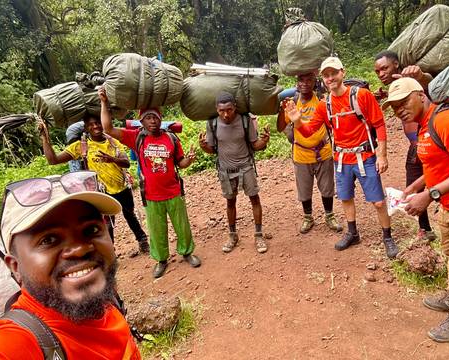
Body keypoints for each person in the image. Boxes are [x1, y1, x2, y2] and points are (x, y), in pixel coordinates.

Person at [0, 171, 141, 358]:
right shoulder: (16, 345)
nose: (79, 249)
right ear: (15, 267)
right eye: (48, 239)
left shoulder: (108, 301)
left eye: (91, 229)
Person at [383, 77, 449, 342]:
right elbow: (439, 162)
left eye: (404, 102)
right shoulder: (425, 125)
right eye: (394, 106)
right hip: (448, 203)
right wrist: (416, 185)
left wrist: (430, 194)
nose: (399, 109)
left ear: (421, 95)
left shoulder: (446, 120)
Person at [286, 57, 399, 259]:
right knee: (346, 198)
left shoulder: (361, 96)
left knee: (379, 202)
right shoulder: (324, 105)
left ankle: (387, 237)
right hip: (341, 159)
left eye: (333, 73)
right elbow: (310, 131)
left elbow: (379, 124)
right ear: (323, 79)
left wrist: (382, 155)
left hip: (365, 157)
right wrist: (297, 121)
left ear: (342, 73)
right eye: (326, 75)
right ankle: (352, 233)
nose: (330, 78)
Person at [99, 88, 201, 279]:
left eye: (155, 117)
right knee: (156, 229)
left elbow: (181, 163)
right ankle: (161, 259)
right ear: (142, 121)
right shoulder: (136, 137)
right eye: (148, 118)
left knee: (182, 225)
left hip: (173, 191)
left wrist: (190, 160)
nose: (153, 121)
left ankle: (187, 252)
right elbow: (108, 129)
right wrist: (104, 102)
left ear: (161, 119)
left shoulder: (171, 138)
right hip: (152, 195)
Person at [39, 114, 149, 254]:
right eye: (91, 124)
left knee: (130, 215)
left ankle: (142, 240)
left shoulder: (113, 141)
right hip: (101, 190)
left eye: (98, 122)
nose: (95, 126)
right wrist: (44, 138)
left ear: (103, 124)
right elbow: (53, 160)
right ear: (86, 128)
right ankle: (110, 251)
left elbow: (126, 162)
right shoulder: (81, 146)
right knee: (107, 222)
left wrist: (113, 159)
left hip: (121, 186)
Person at [374, 50, 436, 241]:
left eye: (384, 68)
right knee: (412, 186)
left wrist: (421, 76)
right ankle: (425, 229)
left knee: (439, 176)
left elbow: (429, 85)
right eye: (377, 71)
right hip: (415, 147)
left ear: (396, 64)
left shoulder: (412, 81)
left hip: (432, 142)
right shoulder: (395, 88)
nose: (381, 73)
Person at [199, 92, 270, 253]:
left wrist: (264, 141)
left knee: (254, 198)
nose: (226, 114)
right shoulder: (212, 124)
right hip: (225, 169)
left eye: (229, 110)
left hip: (246, 166)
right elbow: (212, 150)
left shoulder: (245, 121)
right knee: (230, 202)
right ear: (216, 110)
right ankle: (232, 235)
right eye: (222, 110)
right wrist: (204, 146)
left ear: (235, 107)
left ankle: (258, 235)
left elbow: (254, 144)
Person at [276, 72, 342, 234]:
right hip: (301, 153)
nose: (304, 83)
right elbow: (279, 127)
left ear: (315, 83)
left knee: (327, 187)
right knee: (304, 189)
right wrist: (281, 110)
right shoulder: (292, 103)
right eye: (301, 80)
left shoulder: (321, 100)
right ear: (297, 83)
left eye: (309, 80)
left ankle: (329, 215)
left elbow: (333, 122)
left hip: (323, 151)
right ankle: (308, 217)